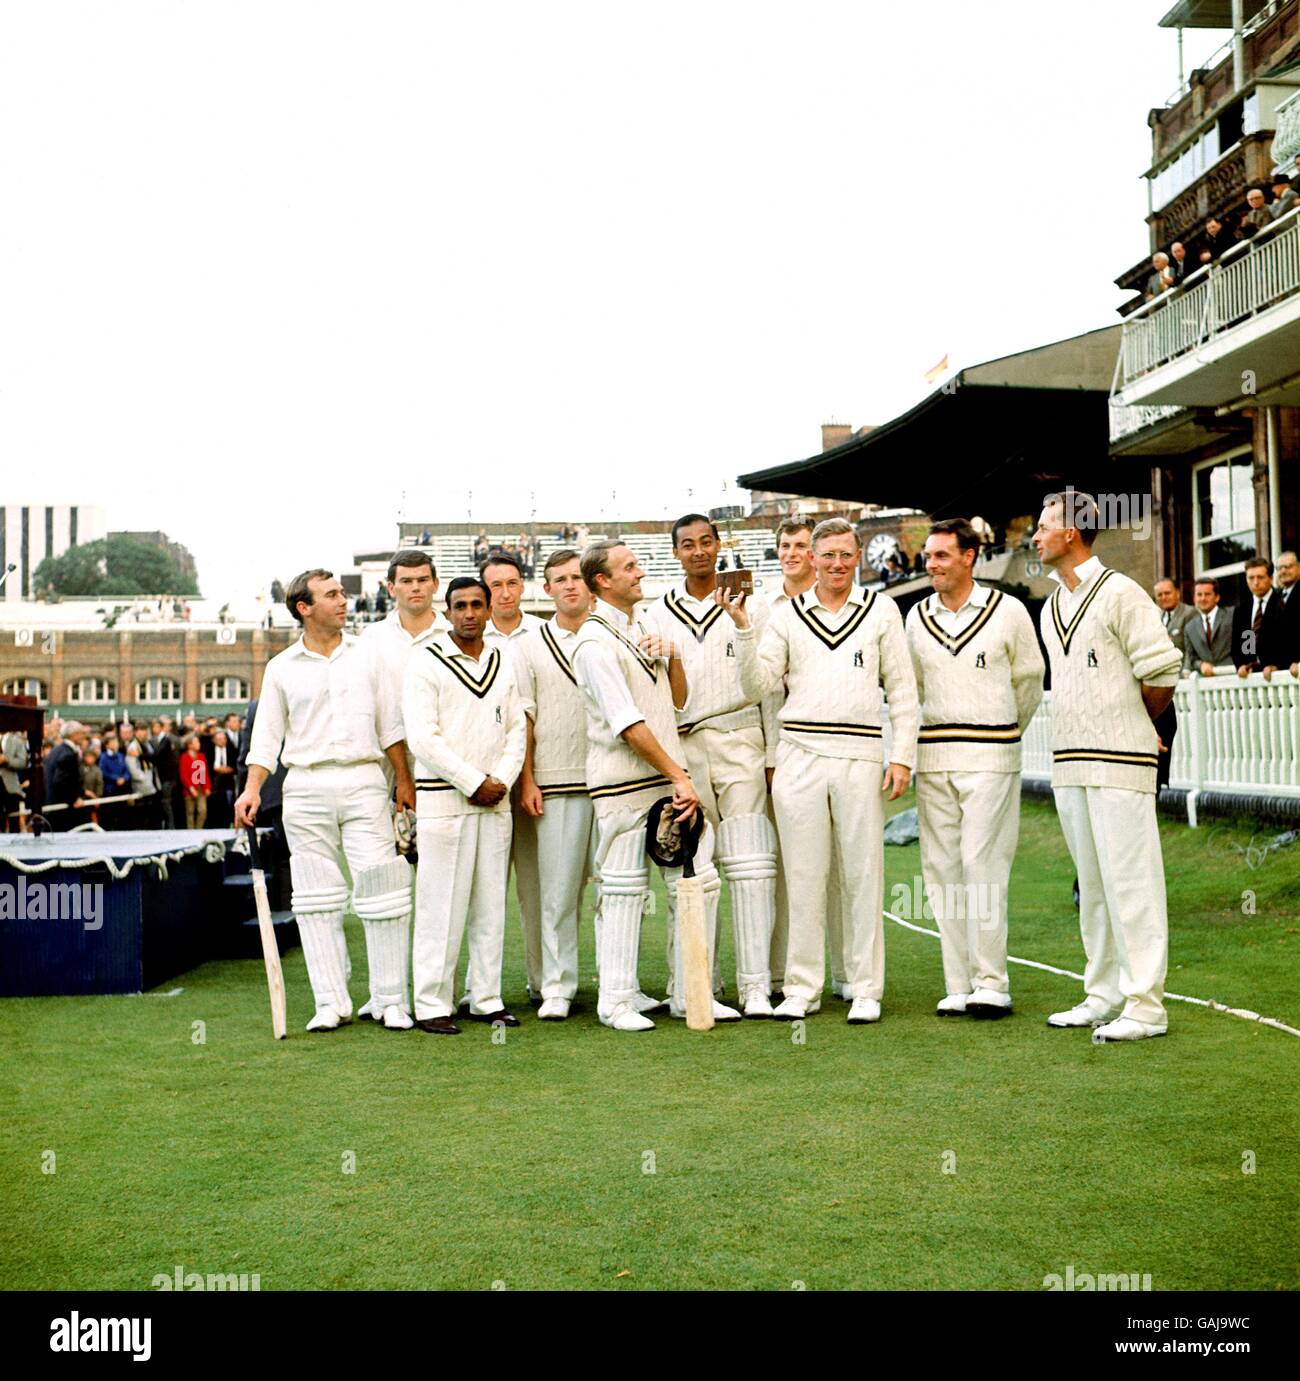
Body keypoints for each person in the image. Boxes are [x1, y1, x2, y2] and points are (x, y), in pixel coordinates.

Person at [725, 516, 919, 1025]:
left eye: (845, 555)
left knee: (862, 874)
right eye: (826, 555)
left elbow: (901, 690)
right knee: (805, 875)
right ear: (811, 559)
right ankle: (802, 988)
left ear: (858, 558)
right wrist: (745, 632)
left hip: (858, 755)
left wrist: (902, 756)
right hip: (799, 754)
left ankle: (865, 987)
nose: (836, 564)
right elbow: (758, 685)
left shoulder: (881, 611)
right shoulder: (786, 616)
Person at [236, 568, 416, 1033]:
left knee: (383, 890)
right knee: (316, 898)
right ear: (304, 607)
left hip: (363, 780)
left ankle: (389, 999)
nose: (343, 601)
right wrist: (252, 789)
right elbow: (266, 737)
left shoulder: (368, 656)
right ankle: (330, 1002)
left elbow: (391, 726)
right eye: (332, 595)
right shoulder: (280, 667)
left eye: (341, 593)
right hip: (305, 786)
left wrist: (404, 780)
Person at [1031, 491, 1180, 1042]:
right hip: (1069, 762)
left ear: (1072, 532)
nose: (1036, 536)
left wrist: (1132, 728)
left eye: (1045, 526)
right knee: (1092, 887)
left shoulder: (1121, 592)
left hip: (1120, 761)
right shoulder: (1049, 607)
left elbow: (1162, 670)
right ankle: (1103, 994)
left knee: (1131, 883)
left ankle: (1146, 1005)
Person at [572, 541, 740, 1031]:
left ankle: (691, 994)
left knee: (697, 883)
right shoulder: (592, 642)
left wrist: (676, 657)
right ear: (602, 581)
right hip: (625, 784)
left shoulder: (645, 626)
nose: (640, 573)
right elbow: (627, 723)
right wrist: (680, 775)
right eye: (629, 568)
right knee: (624, 890)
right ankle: (615, 1001)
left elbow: (677, 706)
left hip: (666, 780)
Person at [641, 513, 779, 1018]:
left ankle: (757, 987)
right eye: (688, 545)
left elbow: (767, 686)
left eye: (706, 542)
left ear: (720, 545)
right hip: (684, 747)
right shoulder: (657, 612)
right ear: (675, 552)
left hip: (741, 737)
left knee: (750, 865)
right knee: (694, 870)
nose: (698, 551)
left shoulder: (755, 603)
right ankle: (696, 985)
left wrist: (773, 754)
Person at [905, 518, 1044, 1018]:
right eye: (928, 555)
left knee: (981, 864)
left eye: (942, 555)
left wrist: (1003, 732)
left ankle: (993, 982)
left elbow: (1029, 681)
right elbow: (913, 690)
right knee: (940, 869)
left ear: (969, 556)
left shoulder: (1008, 611)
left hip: (991, 753)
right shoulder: (915, 617)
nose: (932, 564)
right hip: (935, 754)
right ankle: (958, 982)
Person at [401, 577, 526, 1035]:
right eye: (460, 606)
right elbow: (423, 738)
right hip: (444, 800)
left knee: (491, 903)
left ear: (490, 609)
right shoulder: (425, 662)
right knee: (441, 904)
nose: (470, 613)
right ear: (447, 611)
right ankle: (432, 1003)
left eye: (477, 604)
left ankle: (485, 996)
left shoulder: (502, 659)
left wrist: (502, 780)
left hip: (496, 800)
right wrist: (472, 781)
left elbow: (517, 729)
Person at [513, 550, 600, 1020]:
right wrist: (528, 779)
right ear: (546, 589)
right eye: (559, 580)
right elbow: (525, 718)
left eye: (577, 578)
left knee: (617, 891)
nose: (570, 586)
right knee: (558, 894)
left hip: (613, 782)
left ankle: (617, 985)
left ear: (591, 584)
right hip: (558, 780)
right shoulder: (528, 645)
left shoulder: (613, 633)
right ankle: (558, 987)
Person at [766, 516, 848, 1001]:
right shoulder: (762, 607)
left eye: (802, 544)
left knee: (840, 868)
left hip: (833, 752)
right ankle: (783, 976)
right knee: (788, 871)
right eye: (786, 545)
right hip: (781, 755)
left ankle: (844, 975)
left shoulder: (848, 607)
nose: (794, 552)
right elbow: (760, 689)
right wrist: (768, 754)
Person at [479, 550, 546, 1003]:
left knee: (537, 889)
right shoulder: (462, 636)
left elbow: (533, 716)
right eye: (494, 586)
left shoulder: (542, 634)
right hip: (480, 787)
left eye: (511, 583)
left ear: (522, 585)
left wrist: (527, 779)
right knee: (484, 891)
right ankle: (481, 989)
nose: (504, 593)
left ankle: (545, 984)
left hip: (531, 785)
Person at [359, 549, 451, 794]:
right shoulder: (371, 638)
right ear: (391, 588)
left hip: (446, 754)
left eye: (422, 580)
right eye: (406, 581)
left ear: (435, 585)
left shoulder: (453, 636)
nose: (416, 588)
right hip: (386, 760)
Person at [1151, 577, 1193, 788]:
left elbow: (1189, 647)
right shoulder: (1156, 618)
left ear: (1177, 592)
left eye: (1167, 593)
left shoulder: (1189, 614)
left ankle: (1166, 781)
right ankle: (1162, 781)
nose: (1163, 598)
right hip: (1162, 685)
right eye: (1159, 595)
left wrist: (1185, 670)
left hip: (1182, 682)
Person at [1231, 557, 1287, 678]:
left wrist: (1277, 665)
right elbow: (1244, 643)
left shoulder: (1283, 602)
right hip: (1253, 677)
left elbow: (1290, 640)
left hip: (1280, 675)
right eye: (1251, 578)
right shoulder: (1242, 610)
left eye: (1260, 577)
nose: (1255, 582)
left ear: (1271, 578)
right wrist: (1242, 664)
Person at [1181, 577, 1234, 676]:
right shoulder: (1190, 628)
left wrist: (1248, 662)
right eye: (1199, 595)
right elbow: (1192, 658)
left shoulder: (1233, 615)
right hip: (1208, 684)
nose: (1203, 598)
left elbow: (1249, 635)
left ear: (1217, 597)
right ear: (1194, 598)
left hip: (1236, 677)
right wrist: (1201, 665)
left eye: (1207, 594)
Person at [43, 722, 87, 829]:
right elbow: (60, 781)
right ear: (74, 734)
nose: (84, 736)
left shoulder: (55, 751)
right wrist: (74, 799)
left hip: (51, 807)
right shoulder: (68, 754)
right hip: (62, 811)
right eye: (81, 733)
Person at [150, 718, 182, 829]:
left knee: (166, 802)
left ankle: (170, 826)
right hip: (162, 777)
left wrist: (141, 756)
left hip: (167, 777)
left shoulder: (165, 740)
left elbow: (157, 756)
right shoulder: (156, 740)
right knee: (165, 802)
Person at [208, 729, 238, 827]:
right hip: (214, 784)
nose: (222, 741)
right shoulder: (209, 750)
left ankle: (228, 823)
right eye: (219, 739)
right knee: (215, 807)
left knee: (228, 805)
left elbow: (234, 766)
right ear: (214, 740)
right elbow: (208, 767)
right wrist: (218, 769)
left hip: (228, 783)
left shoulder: (231, 750)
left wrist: (223, 769)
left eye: (224, 738)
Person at [180, 734, 210, 829]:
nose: (198, 744)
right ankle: (190, 831)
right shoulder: (184, 757)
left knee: (202, 811)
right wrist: (190, 787)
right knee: (190, 812)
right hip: (189, 789)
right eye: (196, 742)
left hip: (200, 788)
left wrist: (207, 787)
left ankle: (198, 829)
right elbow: (183, 775)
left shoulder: (201, 756)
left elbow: (205, 773)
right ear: (190, 745)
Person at [125, 739, 158, 824]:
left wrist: (139, 755)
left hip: (150, 785)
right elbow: (134, 770)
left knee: (150, 812)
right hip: (140, 787)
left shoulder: (148, 745)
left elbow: (152, 759)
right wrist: (143, 778)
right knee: (140, 813)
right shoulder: (132, 748)